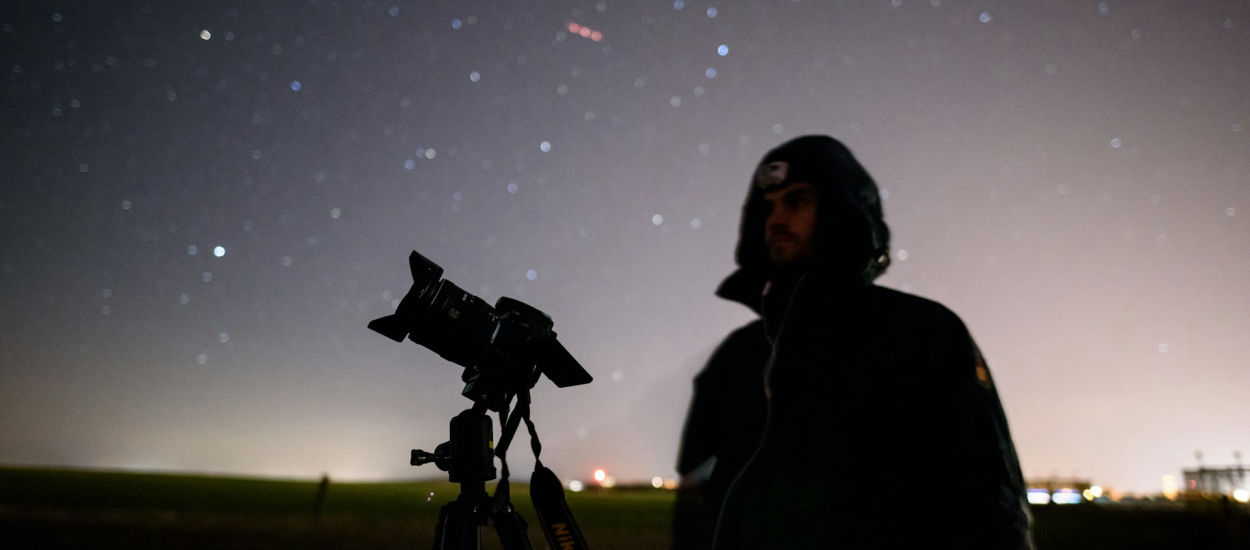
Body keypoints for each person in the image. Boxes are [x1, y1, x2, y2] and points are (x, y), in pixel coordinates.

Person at [673, 135, 1033, 549]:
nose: (775, 220)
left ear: (839, 211)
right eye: (767, 207)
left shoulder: (922, 332)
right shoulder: (737, 356)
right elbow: (697, 497)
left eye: (796, 201)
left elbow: (990, 501)